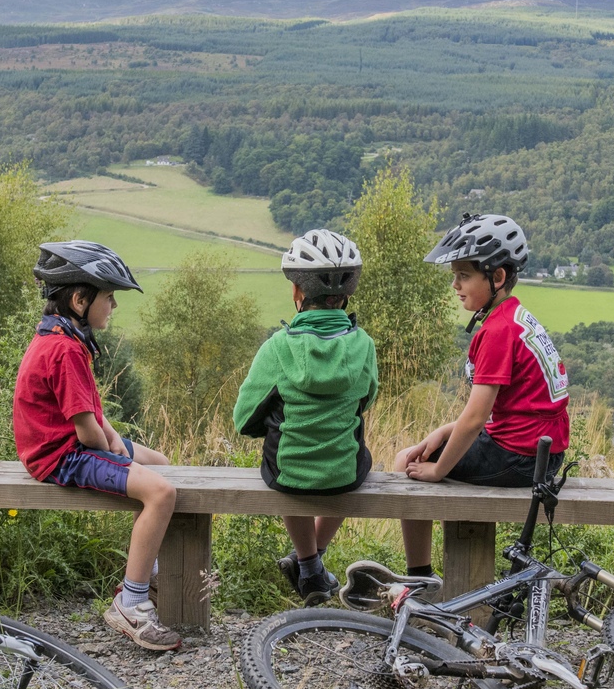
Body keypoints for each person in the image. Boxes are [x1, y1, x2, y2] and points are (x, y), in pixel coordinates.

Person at [12, 240, 181, 651]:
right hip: (60, 456)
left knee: (160, 463)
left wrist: (114, 442)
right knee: (161, 492)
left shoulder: (63, 337)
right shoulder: (65, 350)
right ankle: (132, 602)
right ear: (79, 299)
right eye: (109, 297)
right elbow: (86, 432)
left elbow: (91, 411)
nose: (113, 306)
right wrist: (109, 448)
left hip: (70, 441)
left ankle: (150, 567)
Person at [393, 214, 569, 576]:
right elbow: (501, 409)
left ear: (497, 276)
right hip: (540, 452)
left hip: (519, 457)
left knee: (405, 462)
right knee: (425, 449)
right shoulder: (516, 316)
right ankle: (421, 577)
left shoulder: (497, 331)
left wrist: (439, 470)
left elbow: (475, 420)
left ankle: (419, 579)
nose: (455, 285)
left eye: (464, 275)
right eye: (454, 275)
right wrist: (444, 430)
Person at [232, 230, 379, 604]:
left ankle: (309, 566)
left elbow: (243, 419)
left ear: (298, 292)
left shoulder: (277, 347)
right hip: (344, 476)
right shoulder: (363, 345)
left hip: (287, 476)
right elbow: (366, 400)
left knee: (287, 454)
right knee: (357, 459)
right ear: (346, 296)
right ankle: (310, 564)